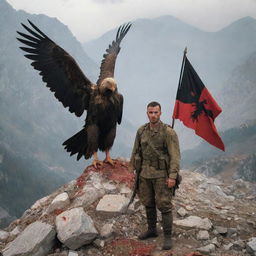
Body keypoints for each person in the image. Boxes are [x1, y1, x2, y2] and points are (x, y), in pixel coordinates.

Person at [130, 101, 180, 250]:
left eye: (155, 112)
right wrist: (134, 170)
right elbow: (135, 151)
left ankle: (168, 237)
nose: (153, 115)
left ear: (160, 113)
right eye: (150, 112)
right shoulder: (141, 131)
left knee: (164, 205)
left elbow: (175, 156)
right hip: (144, 174)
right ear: (147, 113)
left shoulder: (168, 132)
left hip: (161, 176)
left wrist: (172, 176)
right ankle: (152, 230)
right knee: (148, 203)